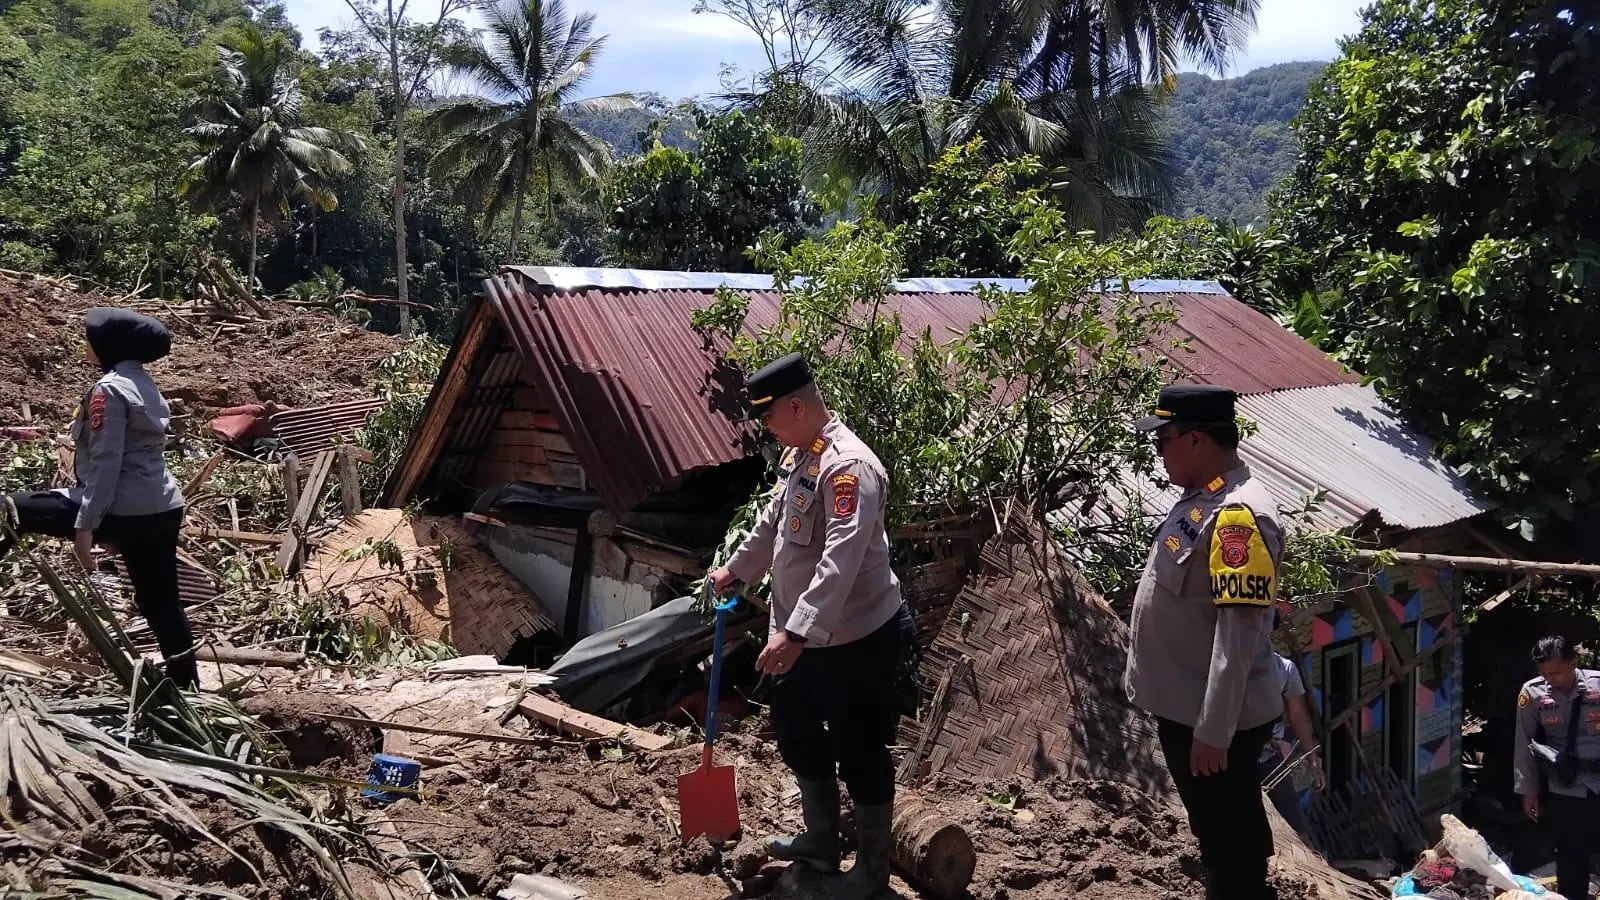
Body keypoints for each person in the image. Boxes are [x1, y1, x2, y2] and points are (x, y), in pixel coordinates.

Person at [707, 353, 915, 899]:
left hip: (857, 640)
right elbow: (773, 525)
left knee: (861, 747)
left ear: (796, 406)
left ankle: (871, 871)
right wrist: (736, 568)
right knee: (795, 730)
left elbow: (841, 559)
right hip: (804, 640)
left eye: (771, 417)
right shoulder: (804, 457)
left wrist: (795, 632)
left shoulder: (849, 468)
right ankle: (821, 839)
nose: (768, 428)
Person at [1125, 383, 1285, 900]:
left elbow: (1237, 637)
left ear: (1195, 439)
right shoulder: (1203, 499)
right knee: (1221, 829)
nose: (1159, 451)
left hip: (1214, 720)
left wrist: (1213, 730)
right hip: (1189, 706)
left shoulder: (1239, 516)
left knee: (1228, 840)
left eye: (1163, 439)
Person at [0, 308, 194, 689]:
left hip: (122, 509)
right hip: (164, 508)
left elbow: (107, 463)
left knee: (9, 509)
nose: (84, 343)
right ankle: (187, 687)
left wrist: (85, 528)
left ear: (109, 345)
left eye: (89, 337)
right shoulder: (145, 384)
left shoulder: (108, 389)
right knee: (163, 605)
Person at [1513, 635, 1600, 900]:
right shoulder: (1532, 693)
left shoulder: (1597, 684)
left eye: (1557, 672)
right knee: (1571, 854)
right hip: (1566, 785)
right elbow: (1523, 743)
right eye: (1544, 673)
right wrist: (1528, 791)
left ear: (1574, 662)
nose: (1551, 678)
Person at [1258, 641, 1326, 840]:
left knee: (1297, 830)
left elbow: (1297, 715)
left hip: (1270, 759)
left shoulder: (1284, 669)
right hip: (1237, 756)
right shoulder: (1231, 668)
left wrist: (1312, 760)